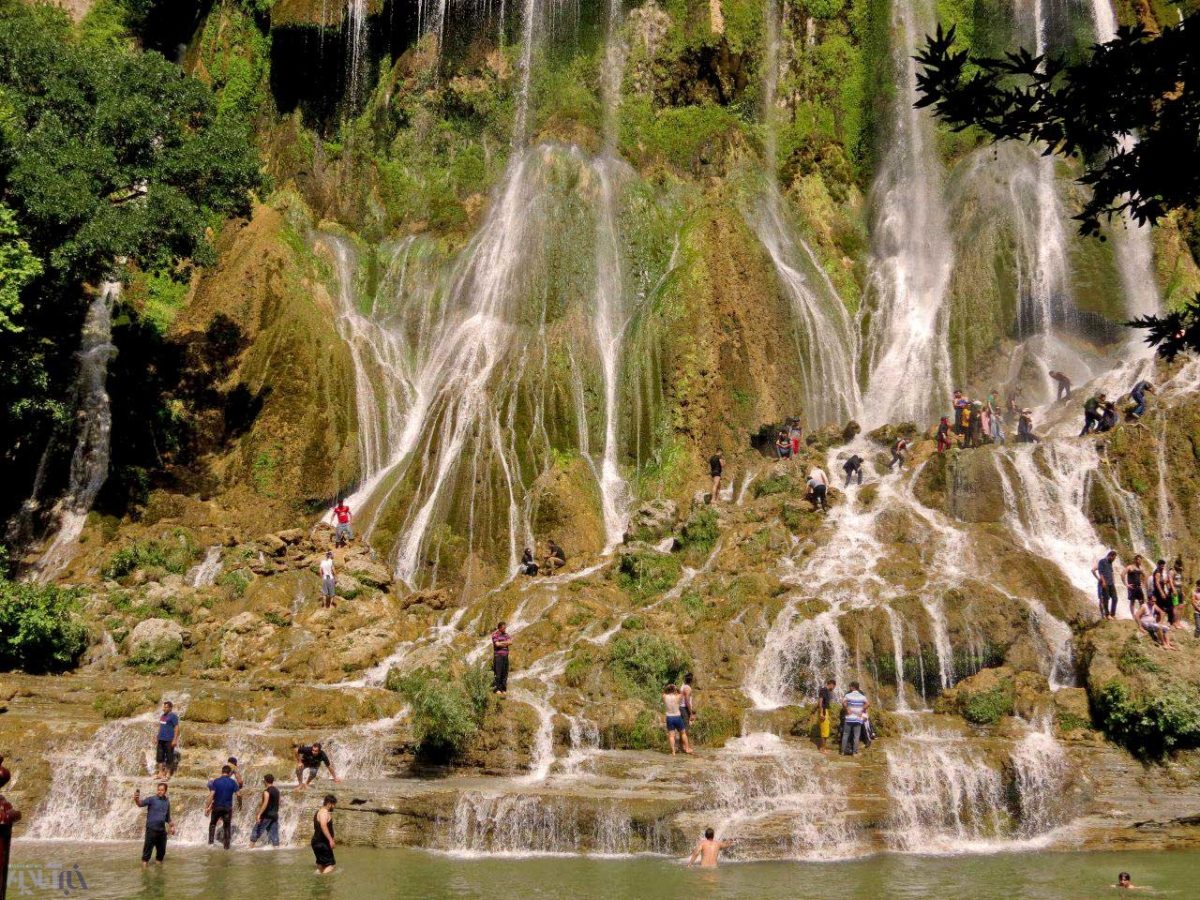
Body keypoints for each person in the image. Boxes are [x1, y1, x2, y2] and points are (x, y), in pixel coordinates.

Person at [135, 783, 175, 867]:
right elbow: (140, 804)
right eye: (158, 790)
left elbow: (167, 817)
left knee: (161, 854)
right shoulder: (151, 799)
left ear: (165, 791)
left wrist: (172, 826)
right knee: (147, 853)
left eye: (162, 790)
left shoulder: (167, 802)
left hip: (161, 831)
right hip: (151, 829)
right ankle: (144, 871)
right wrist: (136, 799)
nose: (160, 791)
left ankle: (159, 872)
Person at [206, 764, 241, 849]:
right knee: (227, 826)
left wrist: (207, 806)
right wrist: (240, 804)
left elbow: (212, 794)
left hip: (217, 807)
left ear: (222, 772)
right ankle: (226, 846)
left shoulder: (216, 781)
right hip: (227, 808)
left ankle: (210, 844)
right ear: (229, 773)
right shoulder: (233, 782)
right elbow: (239, 795)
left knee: (213, 824)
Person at [250, 774, 281, 848]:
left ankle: (250, 847)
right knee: (274, 833)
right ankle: (276, 848)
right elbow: (279, 802)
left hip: (267, 815)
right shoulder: (277, 791)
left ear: (265, 781)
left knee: (256, 830)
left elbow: (265, 803)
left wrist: (259, 814)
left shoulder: (266, 791)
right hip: (274, 815)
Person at [311, 794, 337, 875]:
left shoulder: (318, 812)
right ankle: (322, 879)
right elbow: (323, 825)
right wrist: (330, 840)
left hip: (316, 842)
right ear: (329, 803)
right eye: (333, 805)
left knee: (321, 865)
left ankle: (318, 881)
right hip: (322, 843)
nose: (334, 807)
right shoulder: (324, 812)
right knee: (331, 865)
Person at [663, 683, 692, 755]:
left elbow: (664, 691)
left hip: (669, 717)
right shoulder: (678, 697)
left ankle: (673, 752)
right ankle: (687, 748)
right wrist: (677, 689)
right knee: (683, 733)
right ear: (674, 690)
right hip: (677, 716)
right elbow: (681, 693)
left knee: (671, 735)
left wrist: (669, 687)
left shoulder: (664, 696)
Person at [840, 682, 869, 756]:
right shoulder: (862, 696)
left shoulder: (848, 695)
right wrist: (862, 710)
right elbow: (868, 704)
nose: (849, 688)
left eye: (850, 686)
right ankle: (855, 752)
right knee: (856, 736)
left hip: (849, 718)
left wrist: (847, 709)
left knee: (845, 734)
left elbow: (843, 703)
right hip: (858, 718)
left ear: (852, 687)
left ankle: (842, 752)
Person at [154, 700, 179, 780]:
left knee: (169, 757)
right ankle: (160, 773)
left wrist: (175, 739)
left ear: (170, 708)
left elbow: (176, 727)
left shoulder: (173, 716)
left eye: (166, 707)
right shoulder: (162, 716)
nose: (164, 708)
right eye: (164, 707)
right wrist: (157, 737)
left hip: (169, 739)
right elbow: (160, 727)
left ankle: (168, 774)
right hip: (161, 739)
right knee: (159, 757)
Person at [1093, 550, 1119, 620]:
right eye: (1114, 558)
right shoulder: (1102, 561)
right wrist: (1103, 581)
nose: (1114, 560)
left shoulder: (1110, 563)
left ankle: (1112, 614)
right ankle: (1107, 615)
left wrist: (1113, 581)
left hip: (1111, 583)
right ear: (1110, 556)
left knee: (1115, 598)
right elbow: (1100, 572)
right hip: (1105, 583)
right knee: (1105, 599)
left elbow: (1111, 572)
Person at [491, 621, 512, 695]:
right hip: (498, 656)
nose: (505, 629)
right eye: (503, 628)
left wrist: (502, 643)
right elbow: (497, 644)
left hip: (505, 656)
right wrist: (505, 643)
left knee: (505, 673)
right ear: (499, 628)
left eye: (505, 628)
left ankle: (503, 688)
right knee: (498, 673)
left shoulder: (506, 634)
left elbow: (510, 642)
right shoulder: (495, 635)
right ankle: (497, 689)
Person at [816, 677, 835, 753]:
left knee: (825, 730)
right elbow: (820, 701)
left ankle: (823, 748)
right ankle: (822, 749)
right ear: (831, 684)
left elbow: (820, 702)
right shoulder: (823, 690)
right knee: (824, 731)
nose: (833, 688)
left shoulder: (826, 691)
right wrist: (821, 712)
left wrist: (814, 709)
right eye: (834, 686)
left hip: (825, 711)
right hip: (823, 711)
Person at [1150, 559, 1171, 626]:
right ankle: (1159, 623)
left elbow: (1161, 582)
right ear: (1158, 565)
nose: (1163, 567)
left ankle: (1159, 622)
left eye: (1163, 566)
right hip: (1158, 593)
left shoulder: (1160, 572)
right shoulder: (1158, 572)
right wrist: (1162, 592)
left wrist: (1166, 581)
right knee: (1162, 607)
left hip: (1159, 593)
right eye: (1161, 566)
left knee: (1162, 608)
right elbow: (1157, 583)